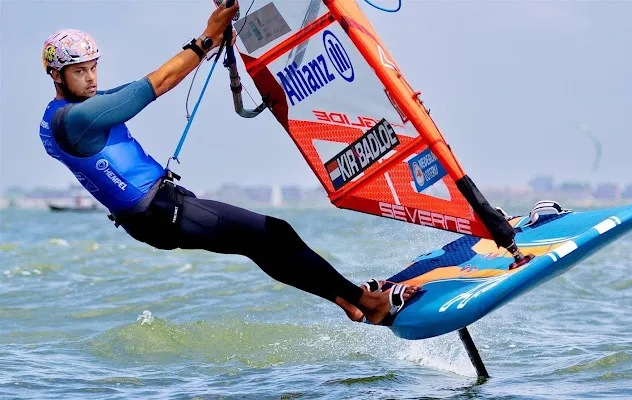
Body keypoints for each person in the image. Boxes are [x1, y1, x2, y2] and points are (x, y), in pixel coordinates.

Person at [38, 3, 420, 325]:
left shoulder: (61, 114)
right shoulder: (76, 120)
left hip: (156, 212)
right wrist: (205, 40)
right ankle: (367, 304)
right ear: (57, 75)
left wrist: (210, 41)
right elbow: (154, 85)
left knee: (262, 244)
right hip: (161, 211)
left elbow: (137, 85)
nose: (90, 78)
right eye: (79, 71)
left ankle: (346, 300)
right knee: (274, 233)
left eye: (92, 67)